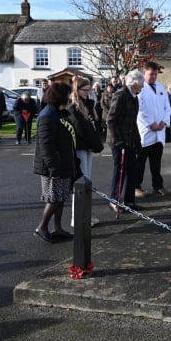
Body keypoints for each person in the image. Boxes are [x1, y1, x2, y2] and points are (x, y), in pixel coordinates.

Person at [32, 81, 77, 243]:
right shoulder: (47, 116)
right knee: (54, 198)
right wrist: (54, 169)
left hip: (62, 163)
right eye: (68, 95)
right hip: (53, 166)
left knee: (61, 196)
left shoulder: (57, 113)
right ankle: (42, 227)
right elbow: (46, 146)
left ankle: (57, 228)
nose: (70, 98)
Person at [106, 69, 144, 213]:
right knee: (120, 171)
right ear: (134, 84)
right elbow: (111, 119)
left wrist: (138, 141)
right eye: (141, 84)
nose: (143, 86)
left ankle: (129, 201)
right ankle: (114, 200)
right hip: (119, 141)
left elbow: (133, 122)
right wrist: (118, 139)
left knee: (132, 170)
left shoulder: (135, 96)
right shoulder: (121, 94)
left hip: (130, 140)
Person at [68, 76, 104, 228]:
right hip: (80, 148)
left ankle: (85, 216)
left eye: (89, 90)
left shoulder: (87, 104)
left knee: (87, 182)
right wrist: (95, 144)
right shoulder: (73, 107)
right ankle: (77, 218)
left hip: (88, 147)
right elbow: (81, 130)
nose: (88, 93)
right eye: (85, 90)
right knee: (81, 184)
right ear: (77, 90)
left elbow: (93, 126)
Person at [135, 61, 171, 197]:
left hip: (159, 133)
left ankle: (158, 186)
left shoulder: (161, 88)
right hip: (145, 132)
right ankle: (136, 186)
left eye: (155, 74)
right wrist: (151, 124)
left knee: (156, 163)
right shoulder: (140, 89)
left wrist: (163, 122)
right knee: (140, 162)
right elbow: (140, 110)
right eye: (151, 74)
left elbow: (167, 108)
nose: (154, 77)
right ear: (144, 73)